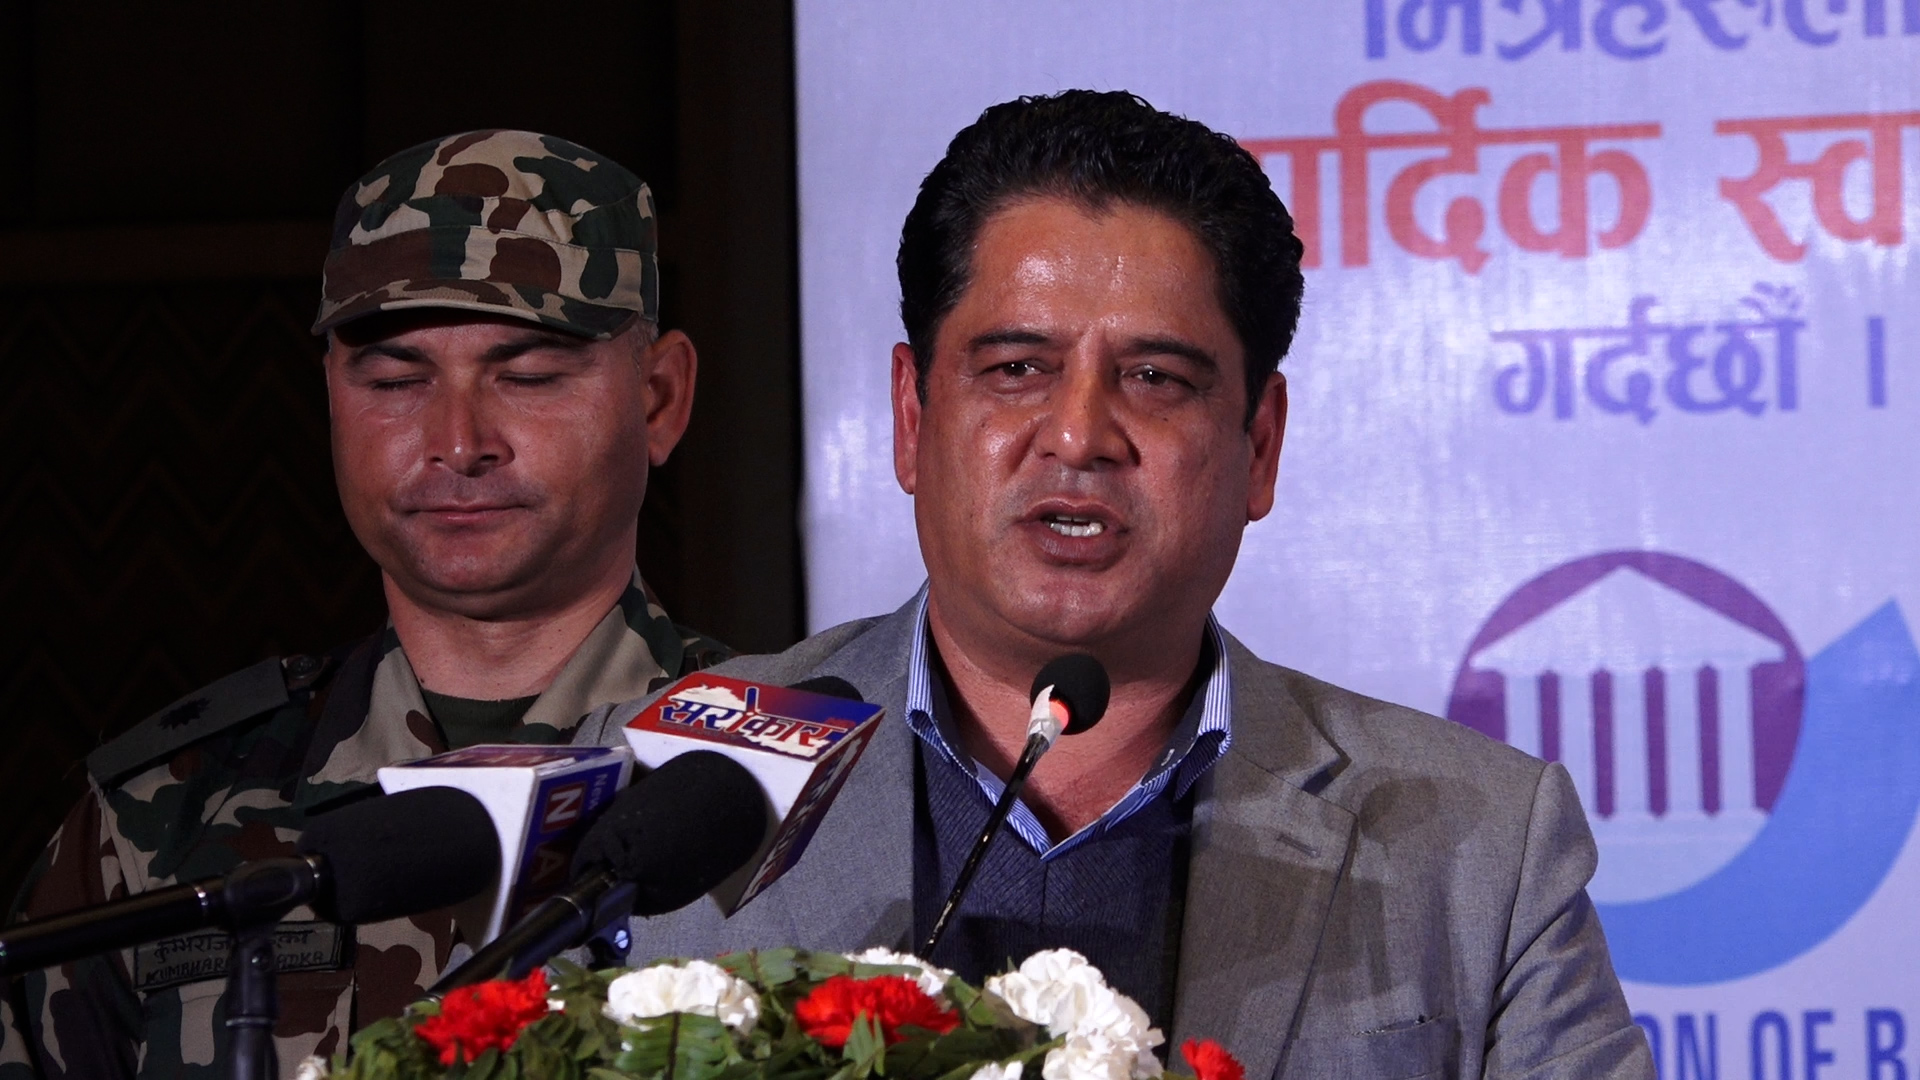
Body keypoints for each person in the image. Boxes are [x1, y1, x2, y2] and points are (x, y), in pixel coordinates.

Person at [577, 92, 1654, 1078]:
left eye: (1154, 377)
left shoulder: (1482, 848)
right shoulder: (654, 782)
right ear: (911, 418)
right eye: (1016, 369)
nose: (1079, 433)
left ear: (1260, 445)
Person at [1, 129, 728, 1079]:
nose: (458, 441)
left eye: (528, 376)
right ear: (335, 400)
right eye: (395, 381)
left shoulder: (777, 784)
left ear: (660, 399)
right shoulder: (156, 824)